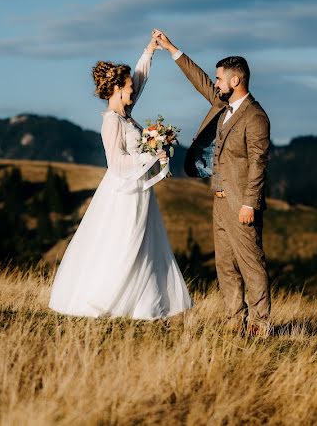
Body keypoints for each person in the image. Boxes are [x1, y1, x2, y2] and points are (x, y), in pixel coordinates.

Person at [47, 36, 192, 320]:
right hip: (124, 192)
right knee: (125, 244)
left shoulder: (126, 115)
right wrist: (149, 155)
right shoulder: (111, 121)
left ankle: (145, 306)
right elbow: (116, 164)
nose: (133, 91)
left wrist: (150, 51)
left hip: (139, 191)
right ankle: (106, 300)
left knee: (144, 247)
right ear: (116, 89)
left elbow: (140, 78)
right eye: (128, 88)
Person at [152, 29, 272, 337]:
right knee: (225, 266)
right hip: (219, 200)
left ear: (236, 80)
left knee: (251, 264)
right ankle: (235, 322)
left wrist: (250, 203)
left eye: (220, 79)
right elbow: (200, 80)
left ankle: (260, 325)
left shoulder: (256, 117)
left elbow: (258, 163)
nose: (215, 84)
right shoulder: (222, 105)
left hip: (241, 204)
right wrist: (170, 48)